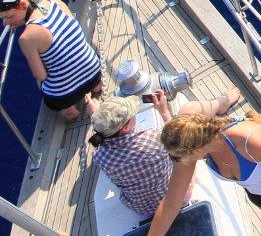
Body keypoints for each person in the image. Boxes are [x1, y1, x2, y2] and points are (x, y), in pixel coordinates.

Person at [152, 111, 261, 236]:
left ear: (195, 149)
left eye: (176, 156)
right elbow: (170, 204)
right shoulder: (195, 150)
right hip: (259, 192)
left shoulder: (247, 141)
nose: (176, 160)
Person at [89, 85, 242, 218]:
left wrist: (101, 118)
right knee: (186, 114)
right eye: (132, 114)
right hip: (179, 197)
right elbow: (177, 137)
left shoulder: (100, 157)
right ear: (125, 127)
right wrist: (164, 111)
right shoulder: (155, 138)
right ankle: (222, 103)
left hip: (141, 209)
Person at [0, 0, 102, 120]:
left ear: (22, 5)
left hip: (65, 95)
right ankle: (97, 88)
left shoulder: (26, 38)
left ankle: (71, 112)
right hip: (94, 71)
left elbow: (41, 75)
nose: (5, 23)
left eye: (9, 17)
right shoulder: (52, 0)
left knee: (42, 84)